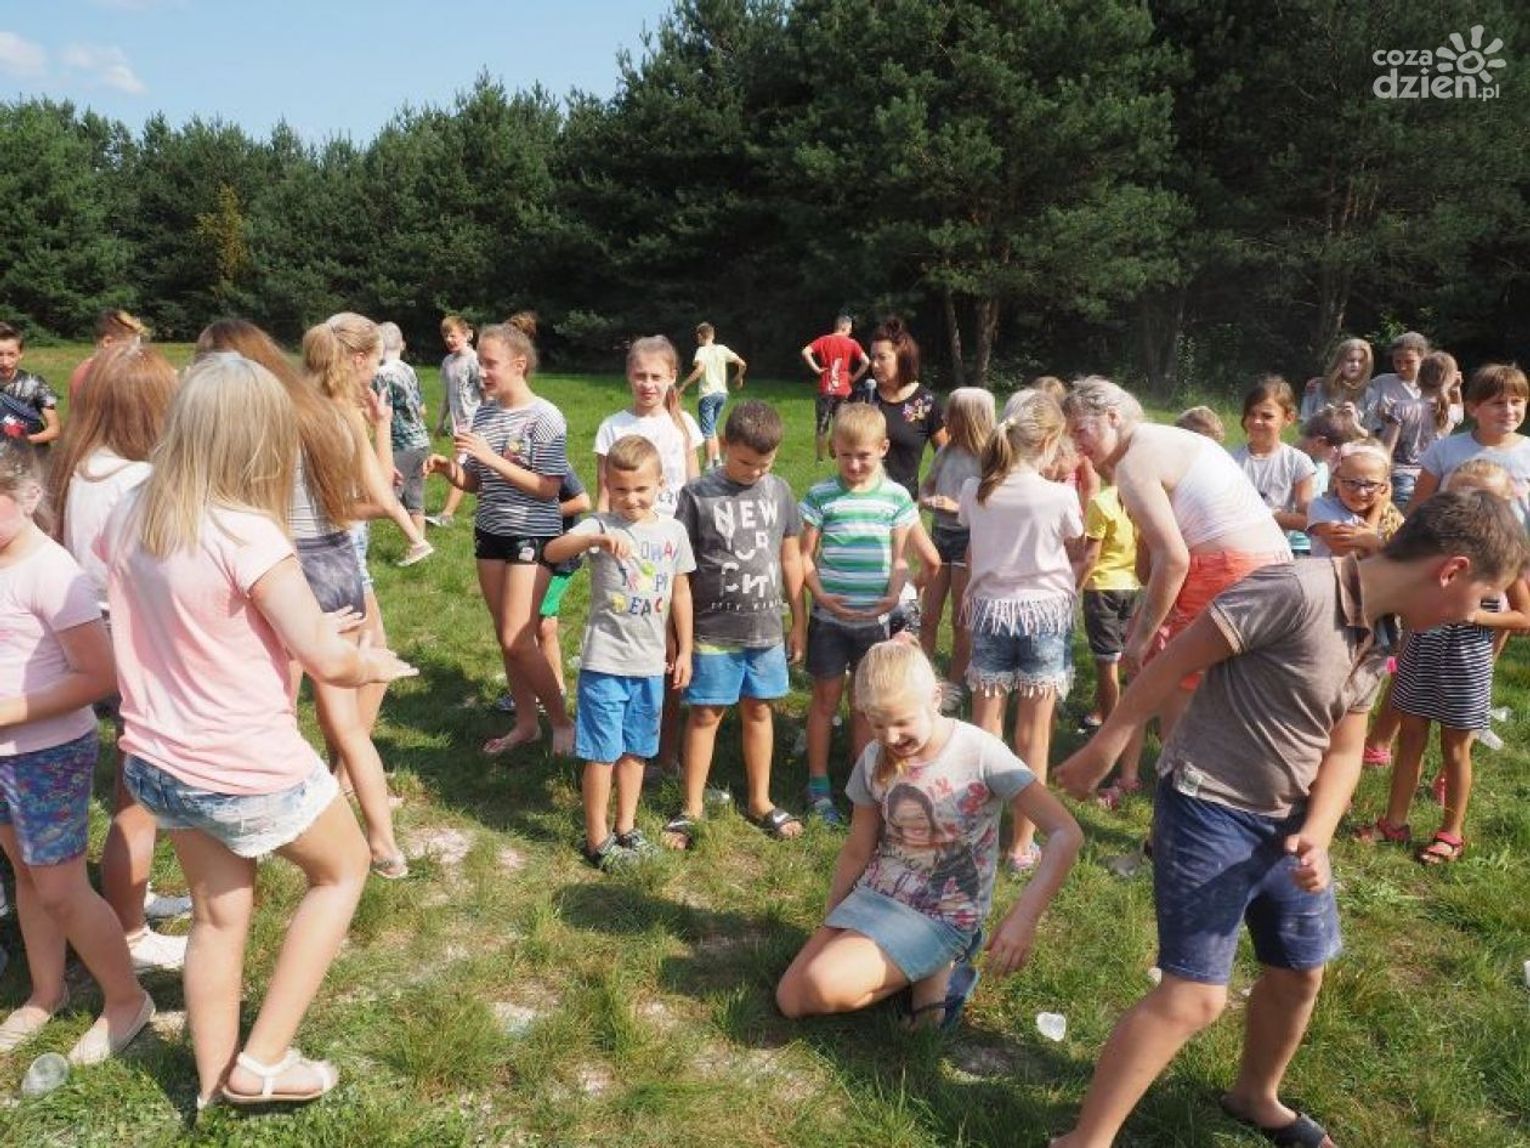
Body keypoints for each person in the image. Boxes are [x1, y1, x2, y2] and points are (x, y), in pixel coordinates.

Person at [1052, 489, 1530, 1148]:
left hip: (1290, 822)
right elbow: (1174, 661)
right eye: (1481, 598)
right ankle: (1086, 1140)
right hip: (1208, 806)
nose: (1473, 615)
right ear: (1450, 571)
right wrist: (1106, 745)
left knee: (1301, 970)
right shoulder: (1296, 591)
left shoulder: (1381, 631)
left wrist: (1320, 834)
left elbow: (1346, 749)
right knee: (1194, 997)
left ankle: (1255, 1095)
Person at [101, 352, 416, 1108]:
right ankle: (263, 1060)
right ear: (259, 438)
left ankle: (214, 1086)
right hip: (243, 761)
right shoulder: (246, 533)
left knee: (219, 915)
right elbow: (325, 657)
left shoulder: (133, 510)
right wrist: (372, 662)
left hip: (159, 760)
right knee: (344, 869)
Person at [775, 641, 1081, 1028]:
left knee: (822, 984)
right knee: (791, 999)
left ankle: (940, 974)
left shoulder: (980, 752)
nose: (889, 737)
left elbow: (1066, 833)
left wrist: (1024, 919)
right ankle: (923, 970)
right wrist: (833, 917)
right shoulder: (873, 757)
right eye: (877, 723)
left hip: (943, 911)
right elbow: (857, 848)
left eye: (901, 722)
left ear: (935, 697)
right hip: (878, 894)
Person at [0, 439, 154, 1065]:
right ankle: (47, 992)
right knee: (26, 876)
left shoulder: (51, 572)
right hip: (5, 756)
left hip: (47, 755)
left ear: (27, 497)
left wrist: (7, 713)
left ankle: (127, 999)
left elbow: (99, 677)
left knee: (61, 888)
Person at [49, 343, 189, 973]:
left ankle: (131, 894)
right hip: (132, 638)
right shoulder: (136, 481)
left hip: (90, 633)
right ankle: (129, 930)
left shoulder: (78, 466)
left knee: (129, 786)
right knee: (138, 795)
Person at [1063, 378, 1289, 741]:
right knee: (1237, 692)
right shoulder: (1173, 439)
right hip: (1277, 567)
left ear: (1113, 417)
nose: (1076, 444)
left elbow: (1173, 559)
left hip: (1226, 569)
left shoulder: (1134, 463)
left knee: (1178, 693)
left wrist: (1139, 639)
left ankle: (1179, 771)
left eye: (1080, 430)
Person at [300, 314, 426, 878]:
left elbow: (379, 479)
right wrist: (402, 520)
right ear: (355, 360)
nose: (378, 370)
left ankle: (340, 780)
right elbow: (375, 495)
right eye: (375, 360)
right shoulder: (335, 415)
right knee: (353, 686)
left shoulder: (300, 405)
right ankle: (361, 813)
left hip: (313, 563)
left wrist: (381, 425)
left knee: (355, 675)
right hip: (332, 563)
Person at [1356, 462, 1530, 864]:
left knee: (1455, 748)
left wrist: (1478, 616)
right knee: (1410, 737)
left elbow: (1523, 617)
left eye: (1483, 498)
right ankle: (1394, 823)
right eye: (1460, 495)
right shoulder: (1430, 547)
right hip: (1420, 653)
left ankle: (1451, 832)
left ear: (1504, 504)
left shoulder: (1508, 558)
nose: (1470, 507)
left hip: (1466, 665)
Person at [1363, 364, 1530, 769]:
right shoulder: (1446, 450)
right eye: (1497, 402)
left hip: (1506, 570)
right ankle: (1381, 740)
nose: (1508, 410)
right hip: (1441, 571)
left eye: (1517, 401)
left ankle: (1455, 761)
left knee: (1476, 671)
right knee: (1411, 658)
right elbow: (1419, 508)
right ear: (1472, 407)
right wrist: (1401, 556)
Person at [543, 435, 694, 870]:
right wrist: (595, 540)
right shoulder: (600, 525)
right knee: (601, 754)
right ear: (608, 484)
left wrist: (685, 650)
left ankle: (626, 828)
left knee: (636, 751)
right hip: (605, 664)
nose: (631, 498)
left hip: (650, 665)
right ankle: (597, 840)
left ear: (661, 484)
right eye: (621, 489)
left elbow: (681, 593)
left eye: (641, 489)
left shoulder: (673, 531)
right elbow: (553, 550)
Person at [426, 322, 576, 757]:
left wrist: (490, 457)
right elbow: (476, 482)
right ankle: (526, 725)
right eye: (481, 364)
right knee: (504, 636)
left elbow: (549, 488)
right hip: (490, 531)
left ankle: (563, 723)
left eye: (490, 364)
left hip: (531, 532)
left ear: (518, 364)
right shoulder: (485, 414)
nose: (482, 372)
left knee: (518, 637)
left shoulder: (546, 417)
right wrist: (449, 470)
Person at [664, 400, 805, 850]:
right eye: (745, 463)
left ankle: (760, 801)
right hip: (712, 631)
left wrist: (798, 620)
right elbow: (680, 571)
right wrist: (675, 633)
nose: (755, 472)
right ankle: (691, 808)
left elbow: (791, 558)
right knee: (706, 713)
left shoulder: (780, 491)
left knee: (760, 710)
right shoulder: (696, 495)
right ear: (725, 445)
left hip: (765, 630)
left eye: (765, 464)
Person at [958, 390, 1083, 872]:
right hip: (1045, 615)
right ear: (1050, 441)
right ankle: (1021, 845)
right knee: (1034, 732)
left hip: (990, 611)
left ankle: (978, 835)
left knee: (985, 727)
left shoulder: (975, 490)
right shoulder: (1060, 496)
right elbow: (1075, 540)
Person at [797, 403, 918, 824]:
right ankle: (817, 783)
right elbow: (804, 557)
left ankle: (863, 780)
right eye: (845, 455)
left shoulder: (896, 498)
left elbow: (900, 559)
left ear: (883, 448)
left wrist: (893, 595)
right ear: (834, 448)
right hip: (829, 622)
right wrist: (822, 597)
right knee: (825, 700)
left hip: (874, 623)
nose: (853, 464)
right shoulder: (821, 496)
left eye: (863, 455)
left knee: (866, 706)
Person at [594, 335, 704, 771]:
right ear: (628, 376)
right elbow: (604, 494)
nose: (648, 384)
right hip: (626, 552)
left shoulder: (684, 425)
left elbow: (695, 490)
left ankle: (666, 750)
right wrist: (600, 541)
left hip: (673, 549)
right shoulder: (612, 426)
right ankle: (621, 744)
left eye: (656, 376)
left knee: (672, 648)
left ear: (673, 377)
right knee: (632, 645)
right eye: (640, 375)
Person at [854, 317, 945, 634]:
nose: (874, 364)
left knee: (896, 571)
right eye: (872, 357)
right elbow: (844, 446)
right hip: (861, 502)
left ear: (902, 357)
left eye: (882, 357)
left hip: (902, 508)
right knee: (865, 571)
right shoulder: (864, 396)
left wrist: (929, 490)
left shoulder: (926, 402)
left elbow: (946, 455)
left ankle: (899, 625)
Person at [918, 387, 995, 706]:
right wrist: (927, 499)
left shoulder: (987, 458)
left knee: (961, 620)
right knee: (928, 615)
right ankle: (922, 680)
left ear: (970, 419)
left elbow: (991, 503)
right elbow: (927, 485)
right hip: (940, 536)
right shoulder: (946, 451)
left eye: (951, 413)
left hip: (968, 540)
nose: (944, 418)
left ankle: (955, 685)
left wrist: (957, 506)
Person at [1078, 476, 1144, 805]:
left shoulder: (1101, 502)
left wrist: (1074, 587)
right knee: (1122, 660)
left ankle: (1110, 734)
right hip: (1131, 586)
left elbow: (1091, 556)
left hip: (1103, 587)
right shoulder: (1141, 497)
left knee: (1107, 663)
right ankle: (1120, 724)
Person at [1230, 376, 1318, 556]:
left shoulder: (1298, 462)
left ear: (1288, 418)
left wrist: (1266, 515)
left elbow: (1307, 520)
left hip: (1274, 552)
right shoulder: (1229, 458)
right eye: (1251, 414)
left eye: (1267, 416)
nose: (1256, 421)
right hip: (1233, 549)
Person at [1377, 349, 1458, 509]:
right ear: (1451, 380)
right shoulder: (1455, 412)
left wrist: (1380, 476)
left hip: (1402, 476)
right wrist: (1455, 388)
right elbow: (1454, 403)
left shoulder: (1401, 408)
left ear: (1419, 378)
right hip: (1435, 477)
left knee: (1401, 521)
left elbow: (1388, 447)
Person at [373, 322, 431, 539]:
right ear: (401, 344)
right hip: (421, 440)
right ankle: (420, 542)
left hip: (400, 444)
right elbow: (422, 408)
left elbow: (383, 411)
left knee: (386, 496)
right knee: (415, 497)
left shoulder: (381, 374)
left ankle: (416, 542)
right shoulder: (409, 369)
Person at [1305, 442, 1404, 558]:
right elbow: (1349, 554)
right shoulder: (1322, 507)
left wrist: (1372, 541)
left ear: (1384, 486)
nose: (1361, 492)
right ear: (1336, 480)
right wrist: (1376, 515)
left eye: (1371, 484)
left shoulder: (1392, 517)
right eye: (1352, 483)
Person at [428, 314, 482, 528]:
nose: (449, 340)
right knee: (481, 467)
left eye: (453, 335)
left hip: (476, 423)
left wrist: (488, 420)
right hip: (459, 425)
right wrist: (440, 422)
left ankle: (447, 515)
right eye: (445, 336)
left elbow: (486, 392)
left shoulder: (475, 360)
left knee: (460, 464)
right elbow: (447, 396)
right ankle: (488, 507)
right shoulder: (448, 363)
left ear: (467, 335)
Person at [678, 322, 746, 470]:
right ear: (713, 335)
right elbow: (742, 364)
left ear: (699, 336)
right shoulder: (722, 349)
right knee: (712, 427)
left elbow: (700, 369)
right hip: (722, 394)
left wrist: (684, 384)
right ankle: (717, 460)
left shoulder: (702, 350)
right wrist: (738, 377)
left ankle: (708, 464)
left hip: (708, 394)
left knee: (707, 431)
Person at [801, 315, 869, 462]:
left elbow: (806, 351)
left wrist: (817, 369)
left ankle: (820, 457)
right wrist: (854, 378)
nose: (850, 332)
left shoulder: (824, 340)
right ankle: (834, 448)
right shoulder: (852, 343)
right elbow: (866, 361)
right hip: (844, 389)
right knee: (839, 422)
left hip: (826, 388)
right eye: (850, 329)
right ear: (845, 327)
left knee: (822, 424)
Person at [0, 321, 60, 448]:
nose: (5, 362)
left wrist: (25, 440)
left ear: (20, 354)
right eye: (0, 354)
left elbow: (55, 430)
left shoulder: (35, 384)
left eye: (11, 354)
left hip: (31, 457)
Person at [67, 309, 148, 403]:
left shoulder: (82, 370)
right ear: (108, 342)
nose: (136, 352)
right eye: (129, 347)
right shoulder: (91, 374)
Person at [1361, 331, 1432, 433]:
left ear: (1423, 359)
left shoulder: (1433, 386)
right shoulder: (1381, 383)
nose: (1402, 367)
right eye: (1397, 362)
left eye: (1409, 362)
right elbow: (1366, 416)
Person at [1300, 337, 1372, 422]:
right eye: (1350, 360)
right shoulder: (1316, 388)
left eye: (1361, 361)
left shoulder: (1369, 394)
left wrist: (1353, 421)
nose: (1355, 365)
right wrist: (1319, 419)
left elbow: (1370, 429)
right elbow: (1303, 423)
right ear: (1339, 361)